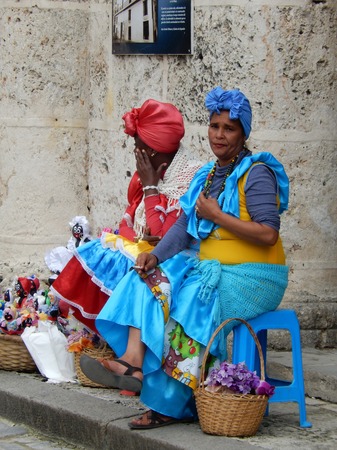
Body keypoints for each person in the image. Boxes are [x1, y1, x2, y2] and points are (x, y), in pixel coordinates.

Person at [80, 87, 290, 429]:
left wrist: (219, 216)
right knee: (148, 276)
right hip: (211, 266)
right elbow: (183, 227)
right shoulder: (208, 174)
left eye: (229, 128)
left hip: (255, 276)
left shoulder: (257, 173)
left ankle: (170, 405)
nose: (219, 135)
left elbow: (269, 234)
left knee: (191, 302)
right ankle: (133, 361)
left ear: (243, 133)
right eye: (214, 126)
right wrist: (156, 256)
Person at [50, 99, 202, 333]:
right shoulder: (149, 174)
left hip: (178, 262)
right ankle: (110, 339)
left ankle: (123, 345)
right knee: (102, 251)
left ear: (151, 151)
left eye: (136, 145)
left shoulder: (187, 179)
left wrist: (151, 189)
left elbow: (165, 238)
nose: (133, 151)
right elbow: (129, 225)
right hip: (153, 253)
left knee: (121, 261)